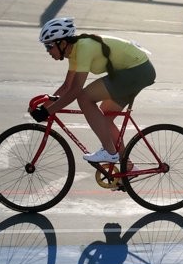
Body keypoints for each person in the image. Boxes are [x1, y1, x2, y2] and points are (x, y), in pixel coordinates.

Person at [31, 17, 156, 163]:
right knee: (105, 118)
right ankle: (127, 168)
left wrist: (47, 111)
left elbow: (76, 90)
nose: (47, 51)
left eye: (49, 46)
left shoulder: (84, 48)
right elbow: (67, 87)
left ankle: (110, 152)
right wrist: (43, 107)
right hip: (134, 72)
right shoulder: (74, 52)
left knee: (84, 97)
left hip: (137, 71)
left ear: (63, 43)